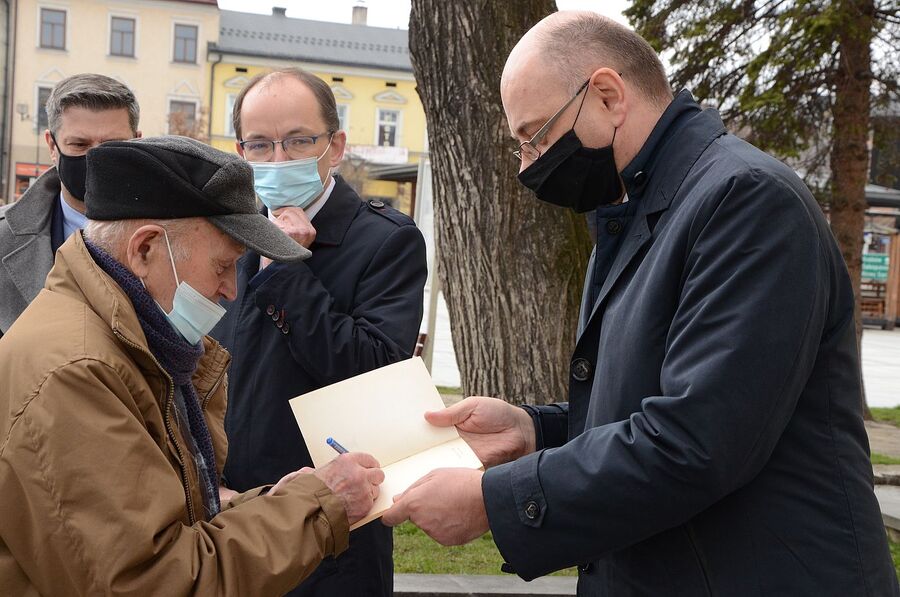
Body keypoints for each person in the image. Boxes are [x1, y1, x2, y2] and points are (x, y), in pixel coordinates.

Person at [383, 11, 899, 596]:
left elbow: (695, 441)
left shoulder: (744, 200)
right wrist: (533, 430)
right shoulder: (639, 207)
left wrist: (494, 501)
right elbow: (640, 405)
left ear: (607, 95)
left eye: (537, 136)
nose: (528, 165)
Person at [0, 136, 384, 596]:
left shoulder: (124, 340)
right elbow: (153, 581)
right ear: (144, 249)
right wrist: (318, 505)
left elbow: (162, 529)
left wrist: (277, 504)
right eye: (223, 265)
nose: (230, 289)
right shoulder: (77, 372)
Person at [212, 67, 427, 597]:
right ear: (240, 151)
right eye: (260, 144)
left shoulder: (384, 241)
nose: (278, 160)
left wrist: (287, 269)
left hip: (332, 531)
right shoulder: (223, 234)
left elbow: (373, 373)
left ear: (335, 145)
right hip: (228, 517)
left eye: (298, 141)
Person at [0, 73, 140, 338]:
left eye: (113, 145)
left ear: (137, 141)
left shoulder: (175, 236)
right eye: (79, 144)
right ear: (52, 145)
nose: (95, 158)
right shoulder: (3, 238)